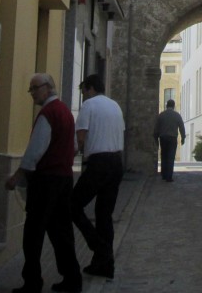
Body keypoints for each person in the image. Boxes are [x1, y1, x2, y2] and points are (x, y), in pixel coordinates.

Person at [5, 73, 82, 293]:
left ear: (48, 88)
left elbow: (34, 152)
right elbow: (75, 146)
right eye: (31, 89)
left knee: (33, 233)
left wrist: (16, 177)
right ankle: (72, 278)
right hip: (64, 180)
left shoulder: (48, 114)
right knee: (62, 232)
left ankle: (32, 282)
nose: (32, 93)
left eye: (35, 88)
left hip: (46, 181)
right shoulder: (66, 112)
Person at [71, 74, 125, 280]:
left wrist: (73, 154)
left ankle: (99, 248)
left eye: (83, 90)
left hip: (99, 164)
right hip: (116, 163)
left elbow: (81, 138)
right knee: (104, 215)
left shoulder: (89, 106)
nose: (83, 95)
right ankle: (105, 265)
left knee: (73, 206)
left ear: (90, 88)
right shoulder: (115, 106)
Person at [153, 99, 186, 181]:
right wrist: (183, 137)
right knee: (171, 157)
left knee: (164, 156)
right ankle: (169, 176)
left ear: (166, 106)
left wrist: (156, 140)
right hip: (172, 138)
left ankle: (163, 174)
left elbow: (156, 129)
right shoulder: (177, 115)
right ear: (174, 106)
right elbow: (181, 127)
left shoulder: (161, 115)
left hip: (163, 138)